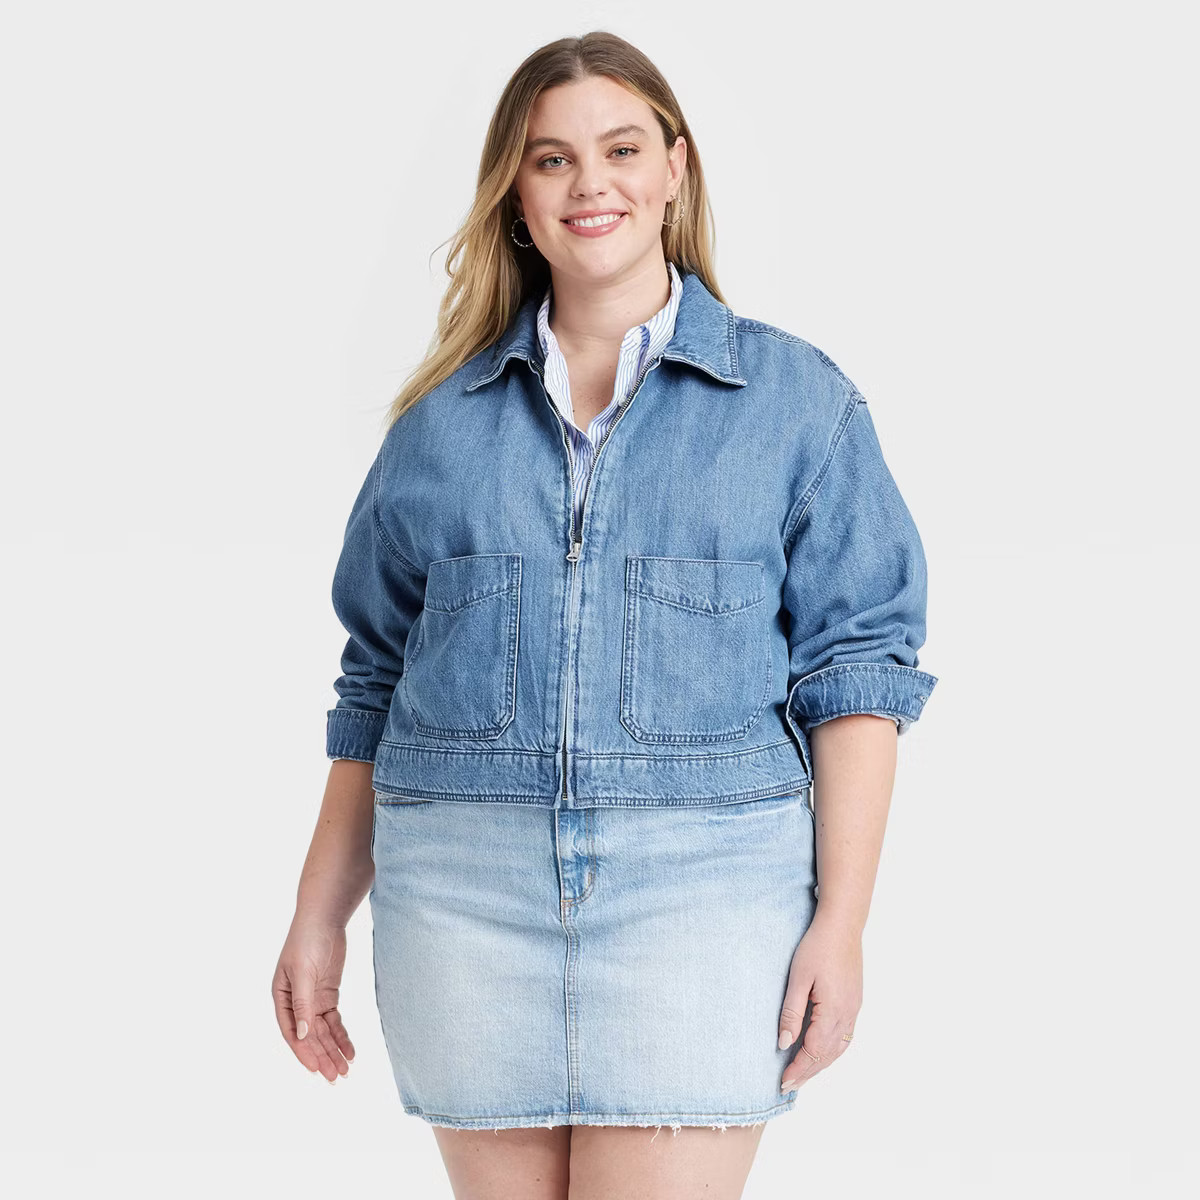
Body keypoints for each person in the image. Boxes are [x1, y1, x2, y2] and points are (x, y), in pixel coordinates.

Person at [272, 30, 938, 1200]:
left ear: (675, 167)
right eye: (552, 159)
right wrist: (317, 914)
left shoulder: (797, 405)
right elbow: (376, 681)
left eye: (623, 149)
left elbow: (856, 677)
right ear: (516, 195)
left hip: (706, 896)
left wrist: (843, 922)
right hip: (462, 898)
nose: (592, 184)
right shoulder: (438, 426)